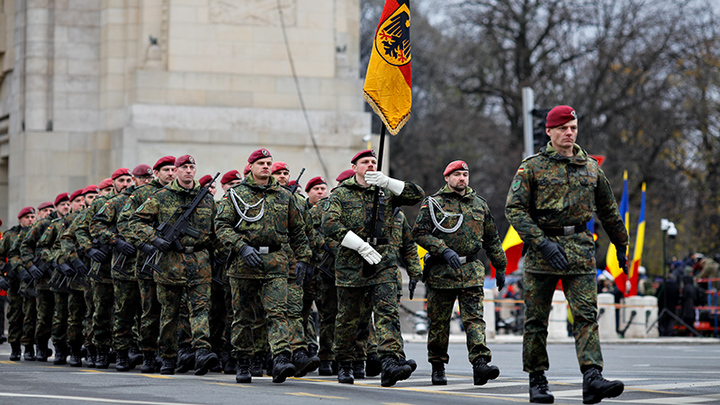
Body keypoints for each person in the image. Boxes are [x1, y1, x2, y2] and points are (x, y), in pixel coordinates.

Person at [505, 105, 628, 404]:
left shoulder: (591, 167)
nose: (569, 133)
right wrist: (541, 243)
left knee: (586, 316)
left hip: (581, 251)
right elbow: (514, 209)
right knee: (536, 320)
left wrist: (621, 246)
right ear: (549, 131)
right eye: (563, 128)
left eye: (573, 127)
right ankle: (537, 380)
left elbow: (609, 211)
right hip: (542, 253)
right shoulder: (532, 167)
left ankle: (592, 377)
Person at [321, 149, 424, 386]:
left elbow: (417, 195)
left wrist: (389, 182)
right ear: (355, 167)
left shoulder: (386, 193)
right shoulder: (341, 194)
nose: (370, 165)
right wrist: (358, 245)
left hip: (383, 262)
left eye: (373, 162)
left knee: (387, 313)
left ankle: (389, 361)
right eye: (365, 162)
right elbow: (329, 224)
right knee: (348, 318)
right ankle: (345, 363)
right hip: (351, 263)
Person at [413, 160, 507, 386]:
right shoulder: (433, 203)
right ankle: (437, 366)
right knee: (439, 323)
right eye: (456, 174)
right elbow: (419, 233)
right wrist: (442, 250)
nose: (462, 178)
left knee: (475, 320)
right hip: (442, 272)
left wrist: (500, 266)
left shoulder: (479, 204)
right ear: (447, 178)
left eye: (465, 174)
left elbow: (492, 239)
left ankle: (480, 364)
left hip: (471, 271)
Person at [130, 155, 219, 376]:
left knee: (200, 309)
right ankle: (168, 357)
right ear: (176, 171)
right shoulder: (161, 197)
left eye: (192, 167)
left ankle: (201, 351)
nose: (188, 171)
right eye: (184, 167)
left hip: (199, 262)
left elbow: (217, 230)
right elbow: (134, 221)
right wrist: (153, 238)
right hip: (170, 263)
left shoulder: (206, 199)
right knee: (169, 314)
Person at [117, 155, 176, 373]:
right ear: (156, 172)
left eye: (173, 169)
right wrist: (143, 244)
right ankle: (149, 354)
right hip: (149, 262)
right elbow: (125, 223)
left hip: (173, 262)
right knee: (150, 311)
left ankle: (168, 353)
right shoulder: (141, 194)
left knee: (170, 312)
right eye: (167, 170)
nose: (171, 173)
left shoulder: (180, 194)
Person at [1, 207, 37, 360]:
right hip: (14, 282)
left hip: (31, 281)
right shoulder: (10, 235)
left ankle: (29, 348)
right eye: (27, 217)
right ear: (20, 219)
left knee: (31, 315)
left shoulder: (37, 233)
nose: (30, 220)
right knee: (15, 315)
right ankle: (15, 348)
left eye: (32, 217)